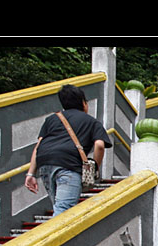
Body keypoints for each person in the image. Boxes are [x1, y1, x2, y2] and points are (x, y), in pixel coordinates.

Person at [25, 84, 112, 216]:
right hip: (69, 165)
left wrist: (31, 174)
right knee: (64, 212)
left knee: (59, 207)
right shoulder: (91, 122)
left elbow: (38, 146)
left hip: (45, 163)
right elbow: (99, 145)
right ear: (83, 103)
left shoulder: (52, 119)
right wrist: (94, 168)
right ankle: (54, 236)